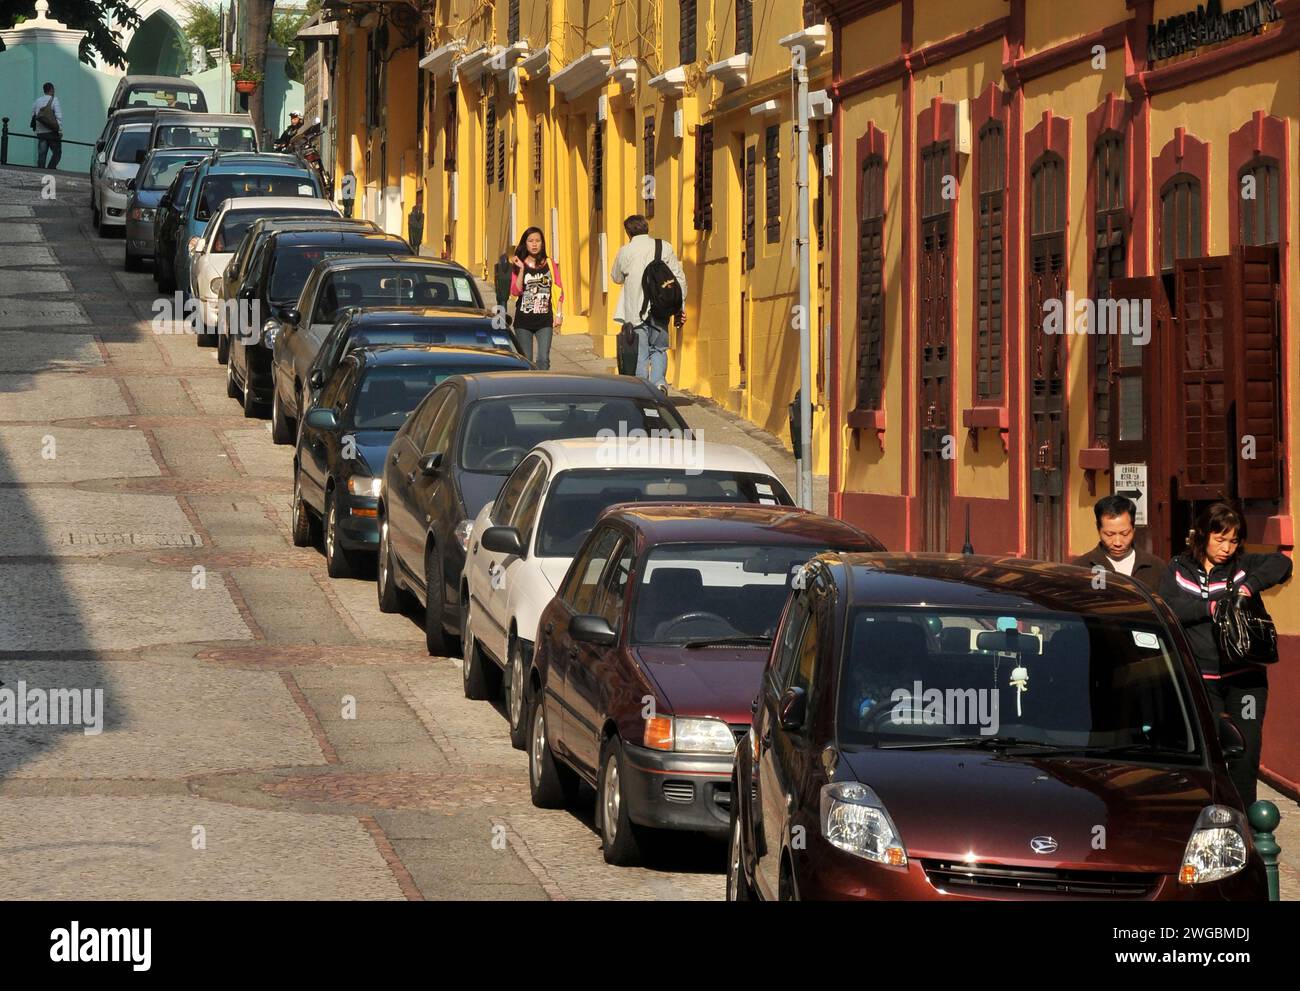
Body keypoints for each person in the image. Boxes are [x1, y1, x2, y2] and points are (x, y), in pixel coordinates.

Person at [1158, 502, 1292, 806]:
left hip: (1246, 678)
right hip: (1203, 679)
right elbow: (1169, 607)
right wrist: (1210, 606)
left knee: (1245, 752)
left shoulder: (1243, 566)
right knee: (1213, 748)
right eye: (1220, 539)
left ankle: (1244, 824)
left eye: (1233, 540)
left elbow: (1282, 564)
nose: (1227, 548)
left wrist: (1248, 588)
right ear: (1203, 535)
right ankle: (1213, 817)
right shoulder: (1178, 568)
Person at [610, 215, 687, 393]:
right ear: (647, 228)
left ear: (628, 232)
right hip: (661, 307)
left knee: (640, 353)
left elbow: (616, 277)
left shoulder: (626, 251)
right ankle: (659, 383)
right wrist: (679, 307)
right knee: (659, 348)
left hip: (635, 311)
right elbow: (679, 279)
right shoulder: (664, 247)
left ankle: (642, 390)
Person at [1070, 494, 1165, 589]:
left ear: (1133, 528)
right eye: (1109, 534)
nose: (1117, 543)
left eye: (1125, 534)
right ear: (1098, 529)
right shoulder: (1080, 568)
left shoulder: (1156, 567)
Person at [509, 227, 563, 370]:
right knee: (527, 361)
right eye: (531, 241)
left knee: (543, 360)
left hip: (544, 320)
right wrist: (521, 269)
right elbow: (515, 291)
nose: (534, 244)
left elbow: (558, 289)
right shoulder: (518, 264)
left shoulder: (549, 263)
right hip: (523, 322)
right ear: (525, 243)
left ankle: (543, 388)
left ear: (542, 243)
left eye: (537, 241)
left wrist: (559, 314)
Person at [30, 82, 63, 170]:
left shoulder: (37, 101)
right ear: (51, 89)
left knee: (42, 154)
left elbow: (33, 115)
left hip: (40, 132)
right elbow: (58, 116)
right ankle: (50, 170)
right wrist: (59, 130)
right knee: (57, 153)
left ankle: (40, 172)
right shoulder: (54, 100)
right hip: (52, 132)